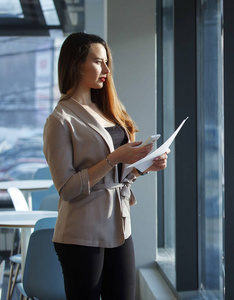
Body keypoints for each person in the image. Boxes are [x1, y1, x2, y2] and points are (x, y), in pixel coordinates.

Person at [43, 32, 169, 300]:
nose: (107, 70)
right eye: (99, 62)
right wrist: (115, 158)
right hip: (81, 234)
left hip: (119, 227)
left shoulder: (108, 109)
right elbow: (66, 189)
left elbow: (115, 176)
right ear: (77, 64)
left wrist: (143, 166)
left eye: (106, 62)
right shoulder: (60, 120)